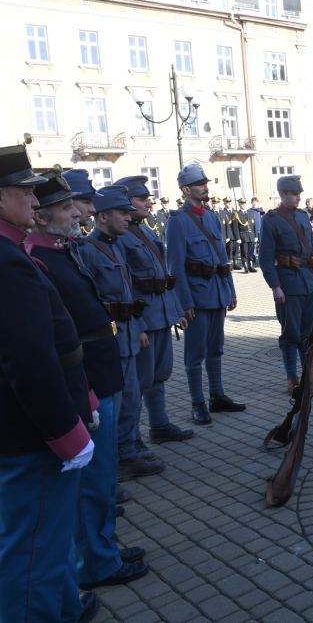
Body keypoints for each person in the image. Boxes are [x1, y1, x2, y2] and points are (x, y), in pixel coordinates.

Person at [30, 171, 153, 591]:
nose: (79, 213)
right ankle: (96, 564)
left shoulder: (64, 249)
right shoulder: (38, 256)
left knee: (103, 478)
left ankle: (103, 546)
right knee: (93, 480)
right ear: (44, 217)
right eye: (68, 207)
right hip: (87, 375)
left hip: (102, 366)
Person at [0, 146, 102, 623]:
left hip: (29, 427)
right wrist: (68, 432)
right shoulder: (8, 262)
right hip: (31, 434)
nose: (34, 202)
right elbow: (30, 362)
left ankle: (65, 609)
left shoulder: (12, 251)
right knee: (32, 552)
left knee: (49, 539)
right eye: (24, 192)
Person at [76, 185, 167, 480]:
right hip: (110, 338)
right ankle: (121, 458)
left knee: (131, 397)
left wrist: (140, 327)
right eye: (122, 213)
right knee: (116, 401)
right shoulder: (86, 250)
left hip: (128, 334)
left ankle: (129, 448)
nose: (129, 218)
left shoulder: (116, 244)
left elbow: (127, 293)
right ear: (103, 217)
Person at [113, 177, 194, 446]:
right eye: (141, 199)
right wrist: (137, 326)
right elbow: (123, 287)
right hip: (143, 318)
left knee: (160, 373)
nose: (149, 202)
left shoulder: (146, 231)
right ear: (126, 203)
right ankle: (131, 439)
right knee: (138, 381)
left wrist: (176, 310)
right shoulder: (120, 238)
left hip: (160, 314)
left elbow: (162, 277)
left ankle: (159, 425)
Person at [166, 164, 244, 424]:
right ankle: (197, 403)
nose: (205, 187)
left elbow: (223, 258)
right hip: (196, 298)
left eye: (205, 183)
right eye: (200, 184)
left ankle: (217, 396)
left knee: (216, 348)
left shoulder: (211, 216)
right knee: (195, 352)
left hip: (218, 293)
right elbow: (175, 267)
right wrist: (184, 303)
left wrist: (230, 289)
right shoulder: (177, 221)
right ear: (187, 190)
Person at [258, 174, 313, 392]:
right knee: (291, 334)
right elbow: (265, 258)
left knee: (309, 332)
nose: (298, 198)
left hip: (309, 282)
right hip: (288, 284)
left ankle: (311, 373)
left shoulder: (302, 217)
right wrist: (275, 286)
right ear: (282, 194)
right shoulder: (271, 219)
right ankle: (292, 379)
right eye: (293, 194)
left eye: (299, 193)